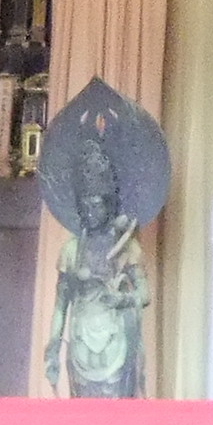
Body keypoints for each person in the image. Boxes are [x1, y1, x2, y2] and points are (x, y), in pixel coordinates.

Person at [43, 137, 147, 398]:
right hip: (80, 339)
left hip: (116, 339)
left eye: (97, 204)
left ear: (109, 205)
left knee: (117, 412)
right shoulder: (71, 251)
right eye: (85, 205)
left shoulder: (127, 248)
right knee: (82, 411)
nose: (91, 212)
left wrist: (121, 299)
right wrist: (53, 348)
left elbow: (144, 295)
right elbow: (60, 305)